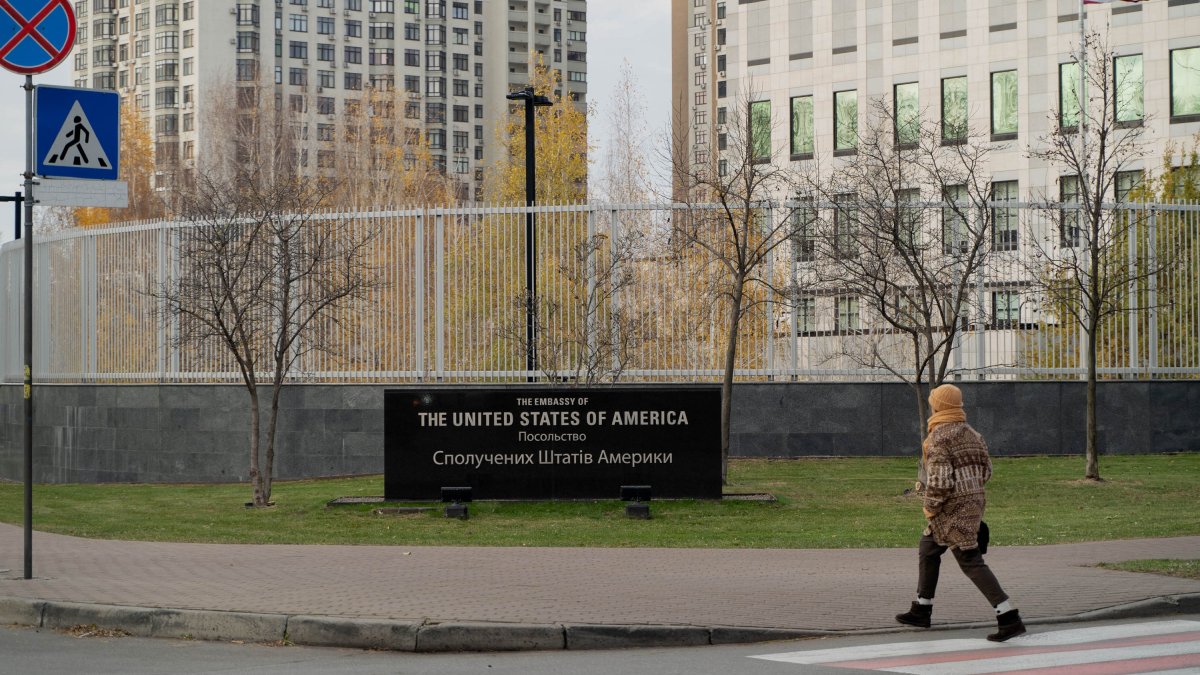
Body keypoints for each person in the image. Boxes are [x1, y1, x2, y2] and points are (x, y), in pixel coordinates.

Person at [895, 383, 1026, 642]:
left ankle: (1009, 617)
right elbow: (987, 471)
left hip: (950, 510)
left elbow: (940, 481)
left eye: (933, 401)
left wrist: (929, 506)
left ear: (938, 405)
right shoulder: (973, 434)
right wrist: (971, 488)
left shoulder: (938, 438)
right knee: (928, 548)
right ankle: (922, 608)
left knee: (970, 561)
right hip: (973, 504)